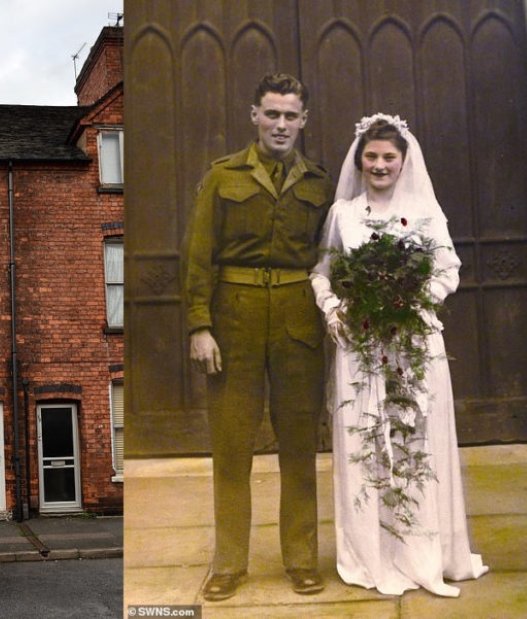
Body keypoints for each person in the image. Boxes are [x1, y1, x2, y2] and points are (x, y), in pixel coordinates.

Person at [310, 114, 489, 596]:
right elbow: (322, 272)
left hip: (412, 343)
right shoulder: (343, 215)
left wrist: (411, 301)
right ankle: (373, 556)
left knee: (415, 444)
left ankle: (422, 555)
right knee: (367, 446)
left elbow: (448, 270)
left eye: (389, 157)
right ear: (359, 160)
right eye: (371, 156)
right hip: (362, 345)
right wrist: (335, 308)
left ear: (404, 161)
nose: (379, 165)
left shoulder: (426, 213)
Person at [183, 73, 334, 600]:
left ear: (304, 121)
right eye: (272, 114)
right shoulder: (222, 177)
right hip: (235, 321)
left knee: (298, 445)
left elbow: (331, 254)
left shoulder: (320, 182)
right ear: (254, 115)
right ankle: (228, 563)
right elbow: (199, 255)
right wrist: (200, 324)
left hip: (298, 321)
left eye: (291, 116)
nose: (281, 125)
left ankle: (302, 559)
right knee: (231, 447)